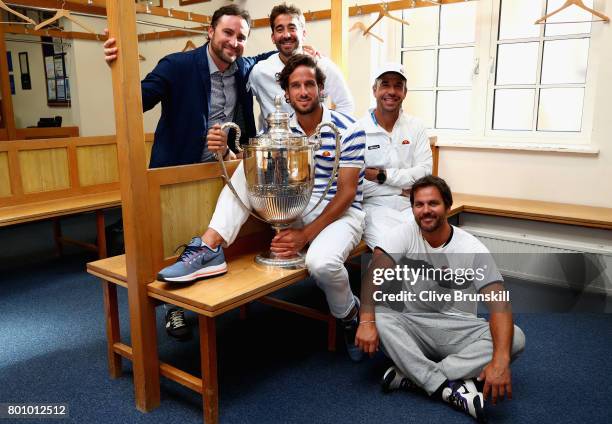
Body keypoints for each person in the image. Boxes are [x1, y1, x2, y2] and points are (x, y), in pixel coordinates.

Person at [157, 54, 368, 361]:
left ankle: (349, 315)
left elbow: (347, 193)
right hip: (296, 209)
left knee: (321, 264)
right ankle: (209, 247)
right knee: (248, 165)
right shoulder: (282, 132)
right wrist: (227, 151)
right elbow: (266, 178)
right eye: (296, 85)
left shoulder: (348, 128)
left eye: (310, 84)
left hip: (341, 215)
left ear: (321, 88)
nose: (304, 91)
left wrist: (304, 236)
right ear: (286, 94)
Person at [103, 5, 274, 340]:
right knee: (172, 242)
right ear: (209, 32)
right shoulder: (177, 66)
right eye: (228, 33)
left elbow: (271, 55)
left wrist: (299, 46)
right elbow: (134, 101)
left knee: (205, 239)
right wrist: (116, 67)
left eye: (241, 37)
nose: (234, 42)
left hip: (220, 169)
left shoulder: (244, 67)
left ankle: (207, 297)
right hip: (177, 169)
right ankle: (175, 309)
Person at [356, 176, 526, 422]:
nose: (425, 211)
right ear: (412, 208)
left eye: (433, 203)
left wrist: (500, 362)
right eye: (419, 204)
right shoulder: (404, 233)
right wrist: (366, 322)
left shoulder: (471, 248)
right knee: (378, 316)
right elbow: (375, 274)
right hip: (414, 325)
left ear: (447, 206)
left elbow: (500, 305)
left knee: (516, 339)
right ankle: (449, 386)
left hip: (457, 329)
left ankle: (414, 376)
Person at [359, 63, 432, 254]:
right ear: (374, 90)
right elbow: (358, 184)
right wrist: (402, 186)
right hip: (375, 207)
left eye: (398, 86)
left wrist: (381, 176)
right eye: (385, 84)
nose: (391, 91)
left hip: (410, 205)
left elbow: (424, 173)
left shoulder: (416, 126)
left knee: (429, 245)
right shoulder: (358, 130)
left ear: (405, 92)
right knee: (394, 250)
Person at [248, 3, 354, 130]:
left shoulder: (322, 66)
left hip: (316, 145)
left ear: (303, 34)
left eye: (292, 28)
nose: (286, 35)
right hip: (275, 146)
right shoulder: (259, 72)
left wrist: (330, 137)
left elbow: (346, 104)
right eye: (280, 29)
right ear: (273, 37)